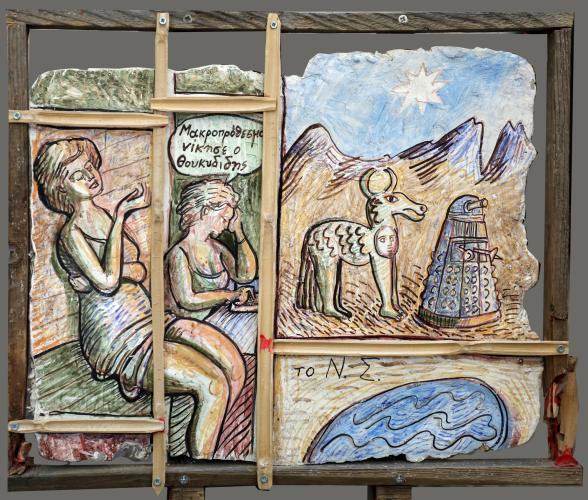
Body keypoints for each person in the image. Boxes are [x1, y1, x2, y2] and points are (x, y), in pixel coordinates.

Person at [33, 137, 245, 459]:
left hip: (148, 317)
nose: (90, 176)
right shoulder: (73, 233)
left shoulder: (102, 216)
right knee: (213, 384)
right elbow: (108, 282)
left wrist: (118, 272)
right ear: (60, 188)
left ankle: (211, 445)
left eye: (90, 167)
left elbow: (133, 271)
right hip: (118, 336)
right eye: (77, 175)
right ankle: (199, 465)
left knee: (233, 365)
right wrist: (121, 221)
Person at [165, 179, 257, 321]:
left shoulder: (217, 249)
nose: (226, 225)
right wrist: (231, 295)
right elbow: (188, 300)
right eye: (224, 219)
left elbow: (245, 276)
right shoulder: (180, 252)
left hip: (217, 317)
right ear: (206, 211)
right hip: (186, 323)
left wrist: (238, 232)